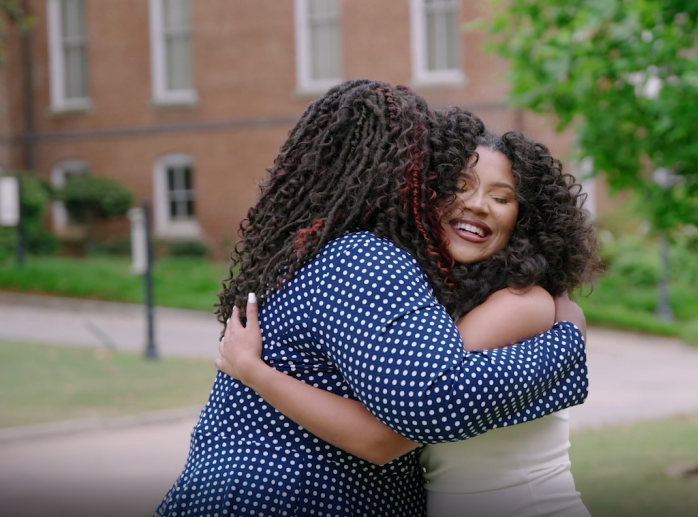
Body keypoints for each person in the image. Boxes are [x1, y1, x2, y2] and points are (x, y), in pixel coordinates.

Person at [155, 80, 590, 517]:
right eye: (451, 180)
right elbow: (418, 411)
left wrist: (254, 372)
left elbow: (408, 418)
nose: (473, 203)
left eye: (500, 197)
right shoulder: (367, 260)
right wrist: (569, 339)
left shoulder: (515, 299)